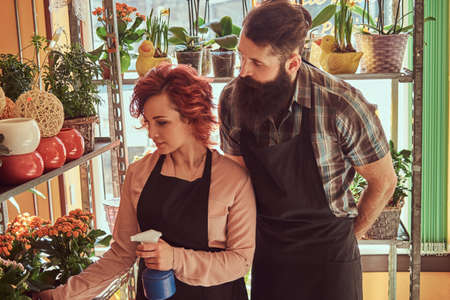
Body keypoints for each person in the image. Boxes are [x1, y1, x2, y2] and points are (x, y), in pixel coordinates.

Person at [218, 2, 397, 300]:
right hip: (270, 255)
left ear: (292, 63)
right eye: (241, 57)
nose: (243, 72)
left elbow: (384, 181)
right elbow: (239, 183)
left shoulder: (341, 105)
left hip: (331, 260)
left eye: (257, 63)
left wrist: (349, 236)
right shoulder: (232, 101)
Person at [38, 64, 256, 300]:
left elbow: (240, 261)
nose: (152, 133)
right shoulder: (138, 174)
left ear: (191, 117)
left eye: (162, 122)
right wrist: (60, 296)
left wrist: (174, 258)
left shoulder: (233, 180)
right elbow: (121, 254)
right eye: (148, 122)